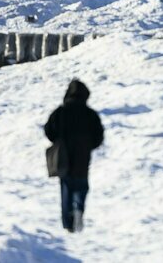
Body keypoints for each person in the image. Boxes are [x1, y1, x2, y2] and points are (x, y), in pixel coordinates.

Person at [45, 79, 104, 233]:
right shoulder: (90, 114)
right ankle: (79, 209)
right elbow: (99, 137)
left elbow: (48, 130)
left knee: (66, 187)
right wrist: (88, 146)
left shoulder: (60, 112)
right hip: (82, 157)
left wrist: (58, 141)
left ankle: (67, 223)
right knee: (81, 186)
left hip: (63, 156)